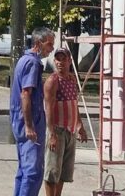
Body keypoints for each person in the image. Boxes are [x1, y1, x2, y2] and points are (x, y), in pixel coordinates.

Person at [10, 27, 55, 196]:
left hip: (21, 119)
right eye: (49, 44)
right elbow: (26, 94)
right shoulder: (33, 63)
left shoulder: (24, 59)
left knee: (24, 169)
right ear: (38, 43)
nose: (51, 49)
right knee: (33, 172)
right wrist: (29, 126)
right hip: (29, 121)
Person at [43, 48, 88, 196]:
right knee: (52, 171)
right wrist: (52, 134)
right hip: (58, 130)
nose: (60, 62)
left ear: (69, 61)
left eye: (63, 59)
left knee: (63, 172)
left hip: (70, 130)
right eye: (57, 59)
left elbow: (74, 104)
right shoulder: (53, 81)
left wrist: (80, 125)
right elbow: (48, 108)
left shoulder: (71, 80)